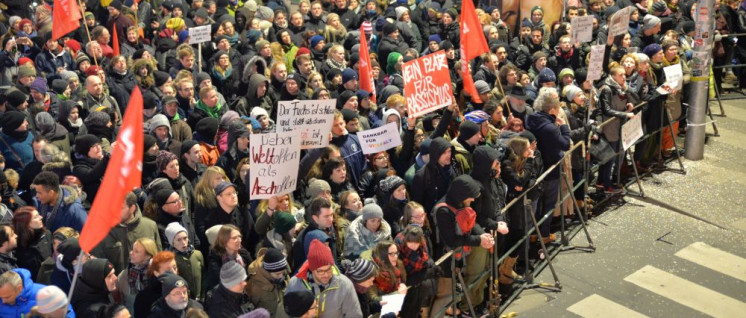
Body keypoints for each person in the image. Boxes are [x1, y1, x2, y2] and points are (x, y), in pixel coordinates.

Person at [430, 175, 494, 317]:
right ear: (462, 194)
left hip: (459, 254)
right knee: (445, 296)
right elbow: (451, 240)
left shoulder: (459, 203)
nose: (472, 200)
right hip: (445, 260)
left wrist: (482, 235)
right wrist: (478, 240)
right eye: (470, 197)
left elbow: (472, 223)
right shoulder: (443, 211)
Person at [525, 87, 572, 243]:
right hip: (550, 170)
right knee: (548, 204)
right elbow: (565, 144)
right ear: (552, 109)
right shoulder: (551, 128)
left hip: (536, 169)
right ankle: (544, 235)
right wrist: (563, 126)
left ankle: (533, 234)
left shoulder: (531, 119)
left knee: (537, 205)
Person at [286, 239, 362, 318]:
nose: (326, 275)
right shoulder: (294, 284)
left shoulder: (344, 285)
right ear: (312, 269)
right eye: (320, 271)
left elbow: (354, 315)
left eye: (329, 269)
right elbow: (288, 313)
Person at [91, 191, 161, 273]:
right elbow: (98, 266)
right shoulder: (101, 232)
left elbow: (159, 258)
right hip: (117, 283)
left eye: (120, 208)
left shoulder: (150, 226)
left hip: (148, 280)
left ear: (132, 208)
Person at [291, 197, 339, 273]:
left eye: (331, 215)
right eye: (326, 216)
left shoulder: (327, 228)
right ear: (315, 218)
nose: (331, 219)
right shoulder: (314, 237)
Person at [165, 222, 205, 303]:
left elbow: (204, 277)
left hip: (199, 300)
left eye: (185, 238)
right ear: (172, 242)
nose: (183, 242)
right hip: (181, 300)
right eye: (178, 240)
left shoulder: (197, 254)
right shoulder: (170, 259)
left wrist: (203, 296)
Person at [205, 224, 252, 292]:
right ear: (224, 240)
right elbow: (216, 284)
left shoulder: (244, 254)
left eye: (239, 237)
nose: (239, 240)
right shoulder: (215, 260)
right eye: (234, 238)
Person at [11, 206, 52, 280]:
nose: (41, 217)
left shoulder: (47, 235)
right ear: (25, 224)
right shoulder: (16, 246)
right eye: (36, 217)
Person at [246, 248, 287, 317]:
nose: (281, 276)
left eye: (283, 272)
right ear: (267, 271)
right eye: (278, 274)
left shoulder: (281, 270)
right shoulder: (255, 286)